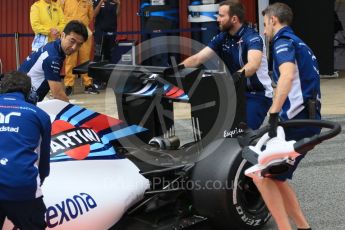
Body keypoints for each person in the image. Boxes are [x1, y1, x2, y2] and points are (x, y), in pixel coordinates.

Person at [255, 3, 322, 230]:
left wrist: (273, 113)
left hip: (299, 122)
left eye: (265, 25)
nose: (264, 31)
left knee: (260, 174)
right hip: (305, 121)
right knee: (276, 178)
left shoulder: (283, 42)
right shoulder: (301, 43)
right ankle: (303, 227)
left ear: (273, 20)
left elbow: (287, 76)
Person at [182, 1, 273, 130]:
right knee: (216, 130)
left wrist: (234, 77)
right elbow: (197, 58)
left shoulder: (252, 37)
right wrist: (176, 69)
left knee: (241, 135)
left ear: (234, 19)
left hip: (256, 94)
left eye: (221, 16)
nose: (217, 19)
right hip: (233, 93)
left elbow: (253, 65)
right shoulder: (222, 37)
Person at [0, 71, 51, 230]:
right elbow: (43, 162)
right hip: (23, 188)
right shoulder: (40, 114)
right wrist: (39, 180)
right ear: (29, 93)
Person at [19, 20, 89, 102]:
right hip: (22, 102)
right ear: (62, 35)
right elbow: (58, 94)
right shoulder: (53, 57)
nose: (74, 47)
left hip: (23, 96)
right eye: (72, 41)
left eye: (79, 44)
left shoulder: (54, 46)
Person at [59, 0, 99, 96]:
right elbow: (60, 14)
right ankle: (69, 85)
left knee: (85, 59)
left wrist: (82, 26)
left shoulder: (88, 1)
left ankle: (88, 84)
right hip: (70, 34)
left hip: (84, 34)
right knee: (70, 60)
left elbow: (91, 16)